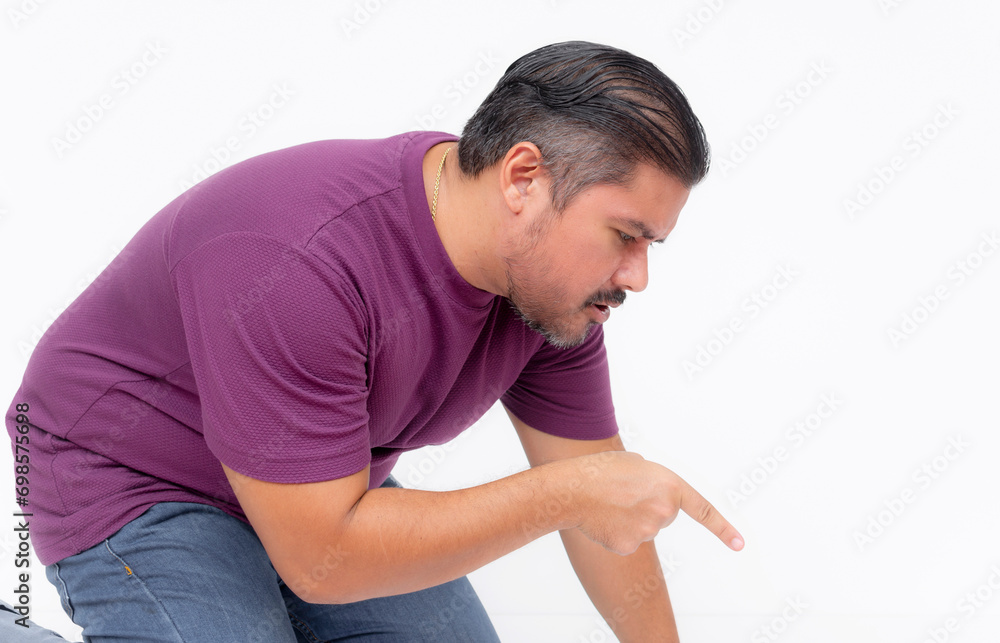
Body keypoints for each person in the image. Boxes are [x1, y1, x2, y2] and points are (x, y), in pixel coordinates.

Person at [3, 40, 744, 642]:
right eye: (626, 236)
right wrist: (565, 494)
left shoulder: (553, 294)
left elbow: (598, 500)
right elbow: (326, 560)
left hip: (316, 481)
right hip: (131, 469)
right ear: (524, 178)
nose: (637, 276)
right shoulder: (297, 261)